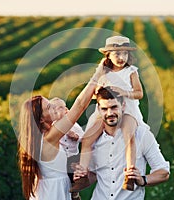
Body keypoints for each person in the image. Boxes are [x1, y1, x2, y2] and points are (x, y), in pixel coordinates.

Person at [71, 35, 149, 192]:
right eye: (117, 54)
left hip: (128, 110)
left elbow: (139, 93)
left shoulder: (131, 71)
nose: (121, 58)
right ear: (108, 55)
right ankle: (83, 171)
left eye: (124, 53)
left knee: (129, 136)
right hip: (106, 110)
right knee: (87, 139)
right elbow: (94, 94)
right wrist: (101, 93)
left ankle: (130, 174)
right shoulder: (103, 73)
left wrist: (124, 92)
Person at [17, 64, 104, 200]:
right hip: (54, 194)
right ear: (41, 119)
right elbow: (79, 106)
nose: (54, 107)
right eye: (49, 107)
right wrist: (98, 73)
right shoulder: (49, 138)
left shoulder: (35, 140)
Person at [73, 86, 170, 200]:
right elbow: (94, 175)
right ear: (98, 109)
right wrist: (78, 181)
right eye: (104, 109)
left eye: (114, 107)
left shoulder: (142, 135)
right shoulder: (94, 140)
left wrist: (143, 180)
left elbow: (163, 172)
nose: (110, 113)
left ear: (123, 106)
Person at [49, 97, 85, 200]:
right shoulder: (52, 126)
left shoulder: (73, 125)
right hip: (61, 157)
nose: (56, 110)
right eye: (53, 108)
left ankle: (75, 192)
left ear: (66, 110)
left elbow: (84, 137)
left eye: (60, 108)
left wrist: (77, 137)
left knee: (75, 173)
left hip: (73, 155)